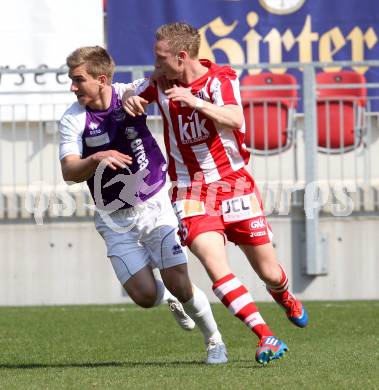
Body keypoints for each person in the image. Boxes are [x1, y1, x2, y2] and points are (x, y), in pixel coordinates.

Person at [122, 22, 309, 365]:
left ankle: (283, 295)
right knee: (214, 264)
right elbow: (135, 96)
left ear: (182, 57)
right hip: (189, 189)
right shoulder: (160, 80)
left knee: (269, 272)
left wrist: (194, 101)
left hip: (233, 184)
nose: (155, 63)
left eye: (161, 57)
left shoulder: (220, 79)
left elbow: (236, 119)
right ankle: (265, 336)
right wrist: (133, 100)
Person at [58, 45, 228, 364]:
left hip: (155, 205)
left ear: (102, 79)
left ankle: (215, 340)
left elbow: (164, 80)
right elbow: (68, 171)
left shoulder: (128, 93)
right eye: (71, 80)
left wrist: (141, 98)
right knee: (145, 297)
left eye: (78, 80)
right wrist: (96, 157)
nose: (73, 87)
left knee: (181, 282)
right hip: (113, 217)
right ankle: (167, 298)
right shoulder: (73, 118)